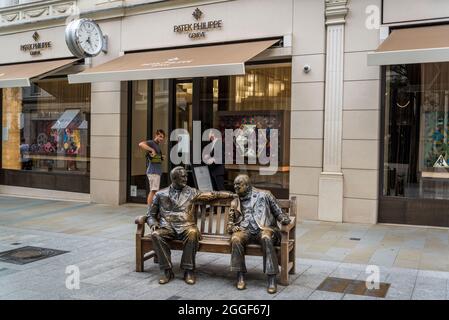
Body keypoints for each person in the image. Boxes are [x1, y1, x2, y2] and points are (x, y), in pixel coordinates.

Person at [147, 167, 235, 285]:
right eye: (183, 176)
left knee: (193, 233)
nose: (186, 178)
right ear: (174, 178)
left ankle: (188, 270)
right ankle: (166, 271)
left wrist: (231, 194)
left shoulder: (192, 192)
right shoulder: (160, 194)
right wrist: (153, 223)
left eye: (186, 176)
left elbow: (212, 195)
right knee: (156, 235)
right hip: (167, 227)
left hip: (186, 226)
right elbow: (150, 215)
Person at [227, 175, 291, 294]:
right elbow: (230, 222)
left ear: (247, 185)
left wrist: (284, 220)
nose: (235, 187)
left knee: (266, 237)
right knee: (236, 238)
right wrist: (233, 227)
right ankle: (240, 276)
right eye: (234, 184)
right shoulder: (236, 200)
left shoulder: (265, 195)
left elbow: (279, 212)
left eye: (238, 185)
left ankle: (272, 278)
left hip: (264, 228)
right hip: (245, 229)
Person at [139, 130, 166, 205]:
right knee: (153, 191)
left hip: (156, 172)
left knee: (155, 191)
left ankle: (153, 208)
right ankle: (150, 209)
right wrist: (152, 149)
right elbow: (141, 144)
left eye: (162, 137)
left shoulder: (157, 145)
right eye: (160, 136)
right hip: (153, 171)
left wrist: (161, 158)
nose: (161, 138)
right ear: (156, 135)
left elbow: (154, 158)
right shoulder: (152, 143)